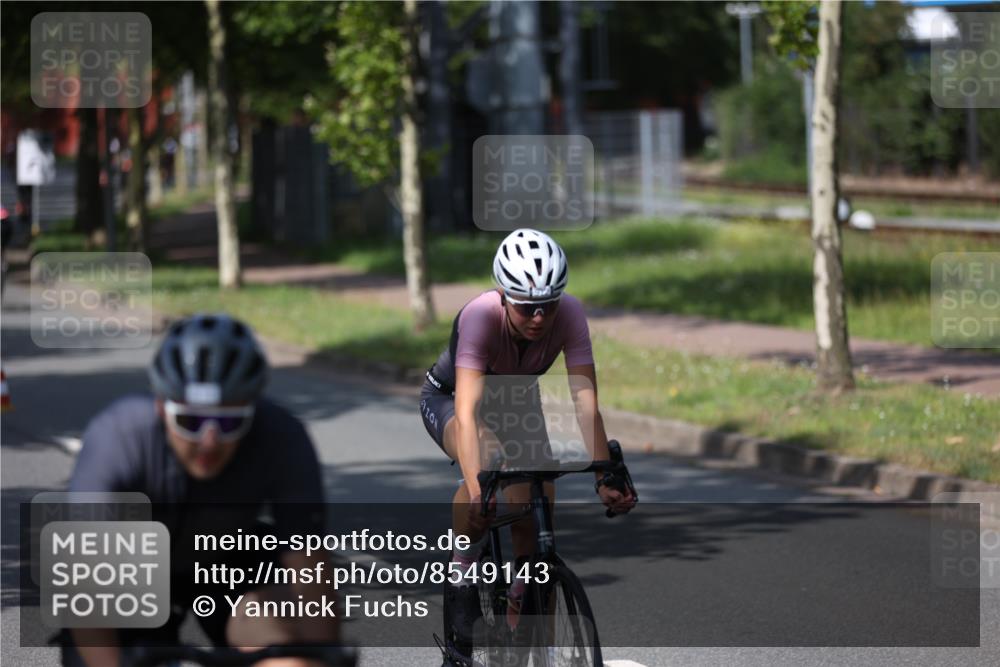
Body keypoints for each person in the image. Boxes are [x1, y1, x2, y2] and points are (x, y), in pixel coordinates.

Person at [60, 313, 338, 667]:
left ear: (252, 411)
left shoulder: (282, 437)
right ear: (161, 408)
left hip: (225, 561)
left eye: (228, 422)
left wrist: (316, 656)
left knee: (291, 650)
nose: (209, 442)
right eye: (190, 421)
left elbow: (308, 570)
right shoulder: (118, 440)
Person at [419, 229, 637, 654]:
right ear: (503, 296)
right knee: (487, 464)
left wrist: (604, 477)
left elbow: (585, 403)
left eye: (548, 305)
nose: (539, 317)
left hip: (517, 400)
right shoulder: (480, 316)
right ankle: (462, 574)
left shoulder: (571, 314)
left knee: (539, 502)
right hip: (452, 400)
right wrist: (479, 490)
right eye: (526, 307)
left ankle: (529, 611)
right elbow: (467, 412)